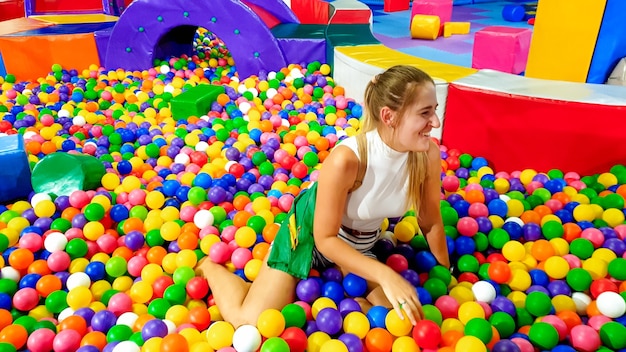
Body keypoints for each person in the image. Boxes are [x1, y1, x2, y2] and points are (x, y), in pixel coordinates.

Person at [196, 65, 450, 328]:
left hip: (358, 245)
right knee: (248, 322)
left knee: (401, 322)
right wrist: (385, 275)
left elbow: (430, 219)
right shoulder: (348, 159)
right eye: (424, 113)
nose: (435, 123)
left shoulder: (426, 156)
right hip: (310, 236)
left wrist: (447, 275)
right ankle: (210, 267)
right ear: (389, 117)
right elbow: (325, 239)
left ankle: (344, 287)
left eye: (434, 111)